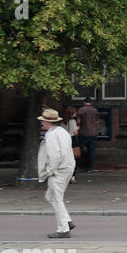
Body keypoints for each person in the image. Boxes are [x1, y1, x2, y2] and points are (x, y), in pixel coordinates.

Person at [37, 108, 76, 238]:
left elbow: (54, 155)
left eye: (43, 121)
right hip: (67, 167)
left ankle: (63, 228)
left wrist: (50, 171)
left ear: (48, 122)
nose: (42, 123)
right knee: (50, 196)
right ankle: (67, 221)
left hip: (59, 170)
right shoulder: (62, 132)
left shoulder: (52, 135)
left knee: (56, 198)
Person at [76, 97, 99, 173]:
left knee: (81, 149)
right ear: (91, 103)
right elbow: (97, 122)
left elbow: (78, 122)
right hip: (93, 133)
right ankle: (90, 167)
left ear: (84, 102)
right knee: (92, 151)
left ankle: (81, 165)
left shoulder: (81, 110)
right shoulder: (95, 110)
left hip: (83, 132)